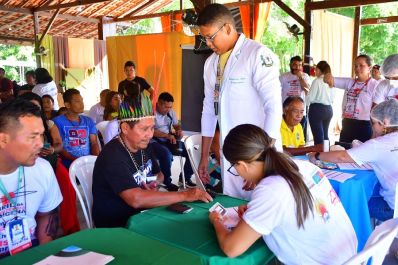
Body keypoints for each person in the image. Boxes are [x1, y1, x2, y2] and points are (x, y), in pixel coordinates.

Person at [209, 124, 356, 263]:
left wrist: (217, 221)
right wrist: (255, 212)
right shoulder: (305, 166)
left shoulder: (271, 189)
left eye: (234, 167)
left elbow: (231, 248)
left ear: (242, 165)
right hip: (351, 257)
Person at [197, 3, 282, 200]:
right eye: (204, 38)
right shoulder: (210, 63)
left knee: (262, 209)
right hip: (232, 155)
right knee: (234, 208)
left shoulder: (257, 54)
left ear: (227, 28)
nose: (208, 43)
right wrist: (203, 157)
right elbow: (209, 109)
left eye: (210, 37)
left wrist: (262, 160)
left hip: (259, 154)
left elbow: (273, 107)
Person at [92, 95, 212, 228]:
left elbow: (160, 175)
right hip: (118, 224)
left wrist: (154, 182)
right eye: (144, 129)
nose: (150, 135)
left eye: (152, 128)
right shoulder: (112, 156)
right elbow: (136, 199)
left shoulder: (144, 145)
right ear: (125, 128)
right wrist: (185, 195)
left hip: (142, 213)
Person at [308, 99, 398, 221]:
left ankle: (358, 236)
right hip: (393, 200)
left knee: (350, 204)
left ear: (385, 122)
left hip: (392, 208)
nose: (372, 127)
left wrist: (317, 155)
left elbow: (342, 157)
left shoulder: (378, 145)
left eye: (374, 123)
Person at [0, 99, 62, 258]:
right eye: (32, 137)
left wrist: (42, 255)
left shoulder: (42, 168)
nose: (41, 144)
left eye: (41, 135)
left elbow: (47, 215)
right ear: (3, 140)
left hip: (32, 249)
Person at [324, 54, 378, 143]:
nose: (357, 68)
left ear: (369, 68)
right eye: (355, 66)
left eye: (361, 65)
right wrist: (327, 75)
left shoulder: (374, 85)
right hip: (347, 122)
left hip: (364, 125)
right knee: (343, 150)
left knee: (361, 154)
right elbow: (328, 80)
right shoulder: (350, 82)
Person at [151, 92, 195, 190]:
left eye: (170, 107)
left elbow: (176, 125)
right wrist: (167, 135)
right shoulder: (151, 112)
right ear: (158, 104)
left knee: (191, 151)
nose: (169, 110)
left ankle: (185, 178)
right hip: (153, 141)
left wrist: (179, 130)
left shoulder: (171, 112)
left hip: (169, 138)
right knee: (167, 155)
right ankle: (166, 181)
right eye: (166, 107)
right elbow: (150, 131)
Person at [53, 89, 100, 169]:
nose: (82, 104)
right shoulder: (57, 122)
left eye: (82, 100)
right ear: (67, 105)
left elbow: (94, 143)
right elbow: (59, 146)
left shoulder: (88, 121)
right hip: (68, 164)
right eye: (77, 101)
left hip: (88, 163)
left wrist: (94, 160)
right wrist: (78, 162)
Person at [18, 93, 63, 170]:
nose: (34, 111)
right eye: (29, 107)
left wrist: (52, 150)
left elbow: (59, 144)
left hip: (45, 161)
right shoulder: (14, 127)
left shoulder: (48, 124)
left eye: (37, 107)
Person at [280, 56, 311, 140]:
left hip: (300, 112)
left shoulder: (305, 76)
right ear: (290, 65)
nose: (297, 67)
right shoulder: (283, 77)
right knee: (285, 136)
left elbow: (308, 90)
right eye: (294, 65)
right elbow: (277, 93)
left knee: (298, 136)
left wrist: (300, 77)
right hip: (286, 111)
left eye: (299, 65)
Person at [307, 61, 334, 145]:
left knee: (318, 137)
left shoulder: (317, 81)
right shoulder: (331, 80)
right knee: (325, 135)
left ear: (319, 69)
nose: (315, 72)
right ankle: (326, 155)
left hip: (317, 109)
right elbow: (332, 98)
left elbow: (310, 98)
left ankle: (319, 156)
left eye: (316, 70)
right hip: (329, 109)